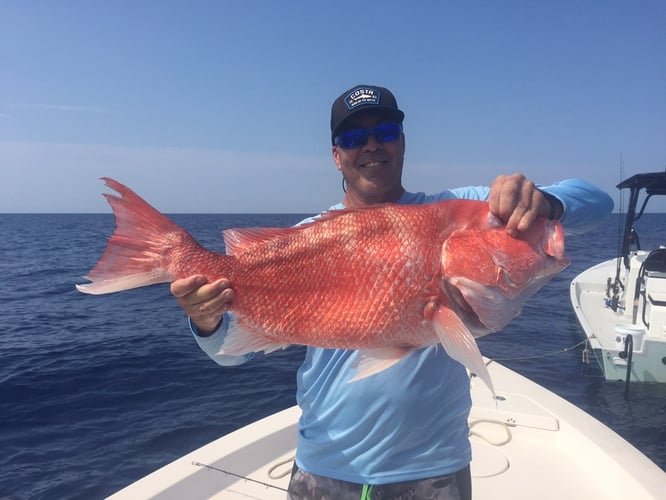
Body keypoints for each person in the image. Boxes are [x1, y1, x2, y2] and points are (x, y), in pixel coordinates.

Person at [170, 85, 614, 499]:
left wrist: (543, 202)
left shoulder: (459, 210)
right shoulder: (306, 237)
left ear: (402, 142)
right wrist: (205, 319)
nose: (370, 145)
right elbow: (228, 354)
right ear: (335, 155)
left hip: (434, 469)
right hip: (324, 468)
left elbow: (596, 203)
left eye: (385, 132)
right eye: (353, 137)